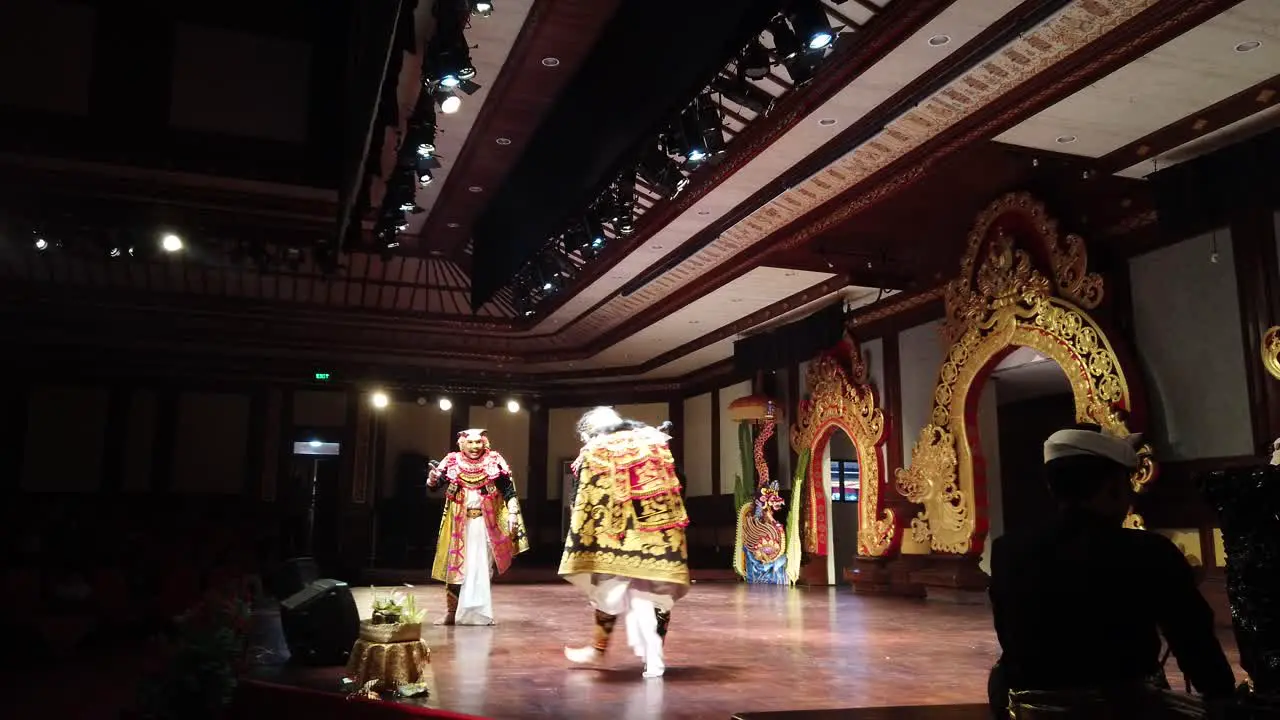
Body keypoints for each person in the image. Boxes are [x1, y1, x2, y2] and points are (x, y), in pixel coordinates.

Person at [988, 423, 1236, 718]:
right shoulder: (1149, 551)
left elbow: (1010, 639)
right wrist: (1223, 697)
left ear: (1053, 486)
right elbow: (1194, 642)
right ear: (1113, 487)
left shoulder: (1007, 550)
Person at [560, 407, 689, 678]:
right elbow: (679, 484)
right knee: (655, 595)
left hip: (615, 535)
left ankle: (599, 649)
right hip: (656, 534)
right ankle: (652, 660)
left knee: (608, 592)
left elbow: (580, 498)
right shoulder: (654, 443)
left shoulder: (593, 451)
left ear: (588, 432)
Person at [426, 429, 528, 626]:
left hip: (485, 524)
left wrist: (513, 513)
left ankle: (480, 613)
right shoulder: (453, 461)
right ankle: (451, 613)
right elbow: (435, 484)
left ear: (484, 443)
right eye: (470, 443)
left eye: (478, 442)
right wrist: (431, 479)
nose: (474, 447)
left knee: (482, 566)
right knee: (455, 565)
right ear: (462, 444)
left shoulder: (494, 461)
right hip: (458, 523)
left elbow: (508, 491)